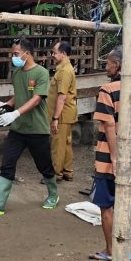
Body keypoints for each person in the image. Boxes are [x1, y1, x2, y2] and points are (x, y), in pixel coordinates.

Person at [0, 37, 58, 215]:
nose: (13, 57)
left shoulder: (41, 73)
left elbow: (37, 99)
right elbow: (19, 95)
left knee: (44, 165)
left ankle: (53, 194)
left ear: (27, 53)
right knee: (7, 164)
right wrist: (7, 104)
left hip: (37, 129)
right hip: (18, 129)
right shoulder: (17, 73)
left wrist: (15, 113)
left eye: (16, 54)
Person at [89, 46, 131, 261]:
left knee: (106, 206)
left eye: (108, 63)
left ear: (117, 65)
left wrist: (115, 159)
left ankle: (111, 250)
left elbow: (108, 126)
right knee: (124, 204)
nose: (106, 66)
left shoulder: (107, 90)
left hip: (109, 160)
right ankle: (124, 248)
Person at [47, 42, 78, 181]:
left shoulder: (64, 71)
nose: (53, 55)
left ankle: (56, 173)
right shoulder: (65, 69)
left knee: (57, 145)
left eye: (55, 52)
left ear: (63, 53)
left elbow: (62, 96)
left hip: (62, 114)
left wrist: (55, 118)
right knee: (65, 143)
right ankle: (67, 171)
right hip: (66, 113)